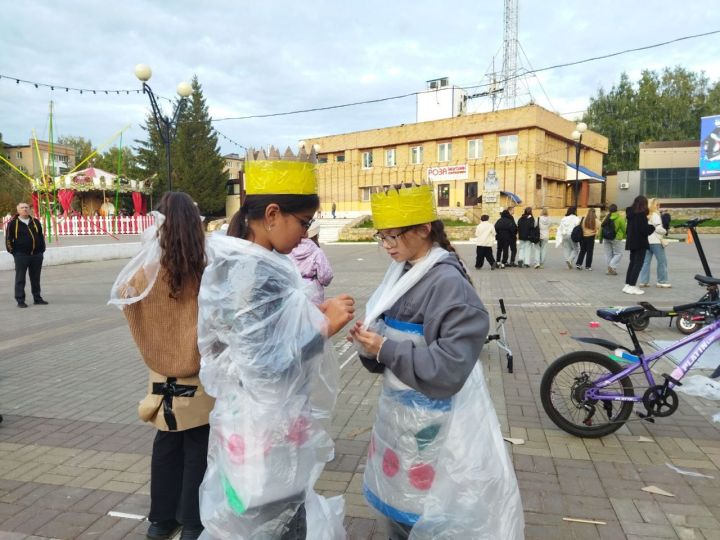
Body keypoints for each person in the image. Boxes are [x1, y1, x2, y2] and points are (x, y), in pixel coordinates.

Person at [348, 184, 524, 539]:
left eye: (393, 236)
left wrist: (384, 348)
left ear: (425, 229)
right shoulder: (402, 272)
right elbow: (387, 350)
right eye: (380, 237)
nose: (387, 245)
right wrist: (370, 349)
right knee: (400, 506)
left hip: (439, 427)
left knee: (426, 513)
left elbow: (449, 367)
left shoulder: (447, 285)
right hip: (401, 423)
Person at [197, 147, 354, 539]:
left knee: (246, 521)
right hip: (266, 434)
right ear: (271, 215)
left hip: (243, 424)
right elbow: (264, 367)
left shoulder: (233, 260)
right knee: (274, 525)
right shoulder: (256, 271)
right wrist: (323, 327)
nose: (306, 234)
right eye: (304, 223)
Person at [109, 192, 213, 540]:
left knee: (166, 448)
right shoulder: (208, 270)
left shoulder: (146, 274)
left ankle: (161, 521)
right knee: (198, 449)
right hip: (201, 379)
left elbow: (126, 297)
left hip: (161, 380)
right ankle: (193, 522)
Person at [5, 202, 48, 308]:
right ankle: (20, 300)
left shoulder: (35, 222)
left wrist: (41, 250)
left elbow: (40, 236)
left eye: (26, 207)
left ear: (29, 209)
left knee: (35, 278)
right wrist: (14, 252)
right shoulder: (13, 223)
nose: (25, 209)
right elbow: (8, 239)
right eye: (22, 208)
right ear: (18, 210)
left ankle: (37, 298)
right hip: (21, 255)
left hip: (36, 255)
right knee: (20, 278)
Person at [289, 220, 334, 305]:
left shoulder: (289, 248)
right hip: (313, 293)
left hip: (293, 291)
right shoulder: (317, 252)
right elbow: (326, 276)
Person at [623, 195, 655, 295]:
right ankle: (632, 286)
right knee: (638, 264)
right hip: (640, 242)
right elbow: (644, 230)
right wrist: (652, 227)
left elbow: (628, 229)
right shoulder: (641, 215)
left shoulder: (630, 214)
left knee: (632, 263)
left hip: (632, 242)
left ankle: (628, 285)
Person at [638, 198, 671, 288]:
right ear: (653, 205)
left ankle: (644, 281)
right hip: (656, 241)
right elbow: (658, 228)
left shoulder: (645, 215)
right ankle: (662, 281)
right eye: (657, 204)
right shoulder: (655, 215)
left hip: (646, 241)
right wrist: (665, 231)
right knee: (662, 261)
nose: (659, 206)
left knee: (645, 262)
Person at [601, 204, 626, 275]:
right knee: (618, 254)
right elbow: (624, 229)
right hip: (616, 238)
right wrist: (624, 236)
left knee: (608, 254)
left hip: (606, 238)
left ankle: (610, 270)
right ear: (616, 210)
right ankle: (611, 266)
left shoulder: (606, 217)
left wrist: (600, 238)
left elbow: (601, 228)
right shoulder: (620, 218)